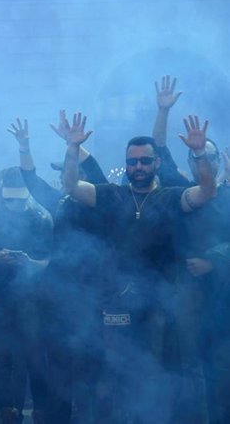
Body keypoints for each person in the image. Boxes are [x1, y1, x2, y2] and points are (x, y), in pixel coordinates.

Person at [61, 112, 217, 423]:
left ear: (157, 163)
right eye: (132, 162)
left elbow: (207, 192)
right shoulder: (111, 194)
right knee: (116, 373)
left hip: (164, 300)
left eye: (145, 161)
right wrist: (71, 148)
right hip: (118, 299)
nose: (138, 167)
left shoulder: (171, 197)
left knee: (164, 372)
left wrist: (199, 153)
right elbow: (71, 186)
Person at [8, 114, 109, 424]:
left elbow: (100, 178)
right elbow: (31, 180)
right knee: (60, 369)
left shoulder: (103, 199)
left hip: (93, 296)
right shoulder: (59, 201)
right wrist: (25, 146)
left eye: (71, 172)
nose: (65, 179)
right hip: (58, 297)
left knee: (94, 371)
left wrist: (75, 147)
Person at [0, 167, 52, 424]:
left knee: (34, 356)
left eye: (19, 200)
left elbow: (48, 262)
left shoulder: (41, 218)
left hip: (30, 299)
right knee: (0, 357)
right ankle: (5, 410)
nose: (14, 205)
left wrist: (30, 263)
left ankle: (40, 411)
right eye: (10, 200)